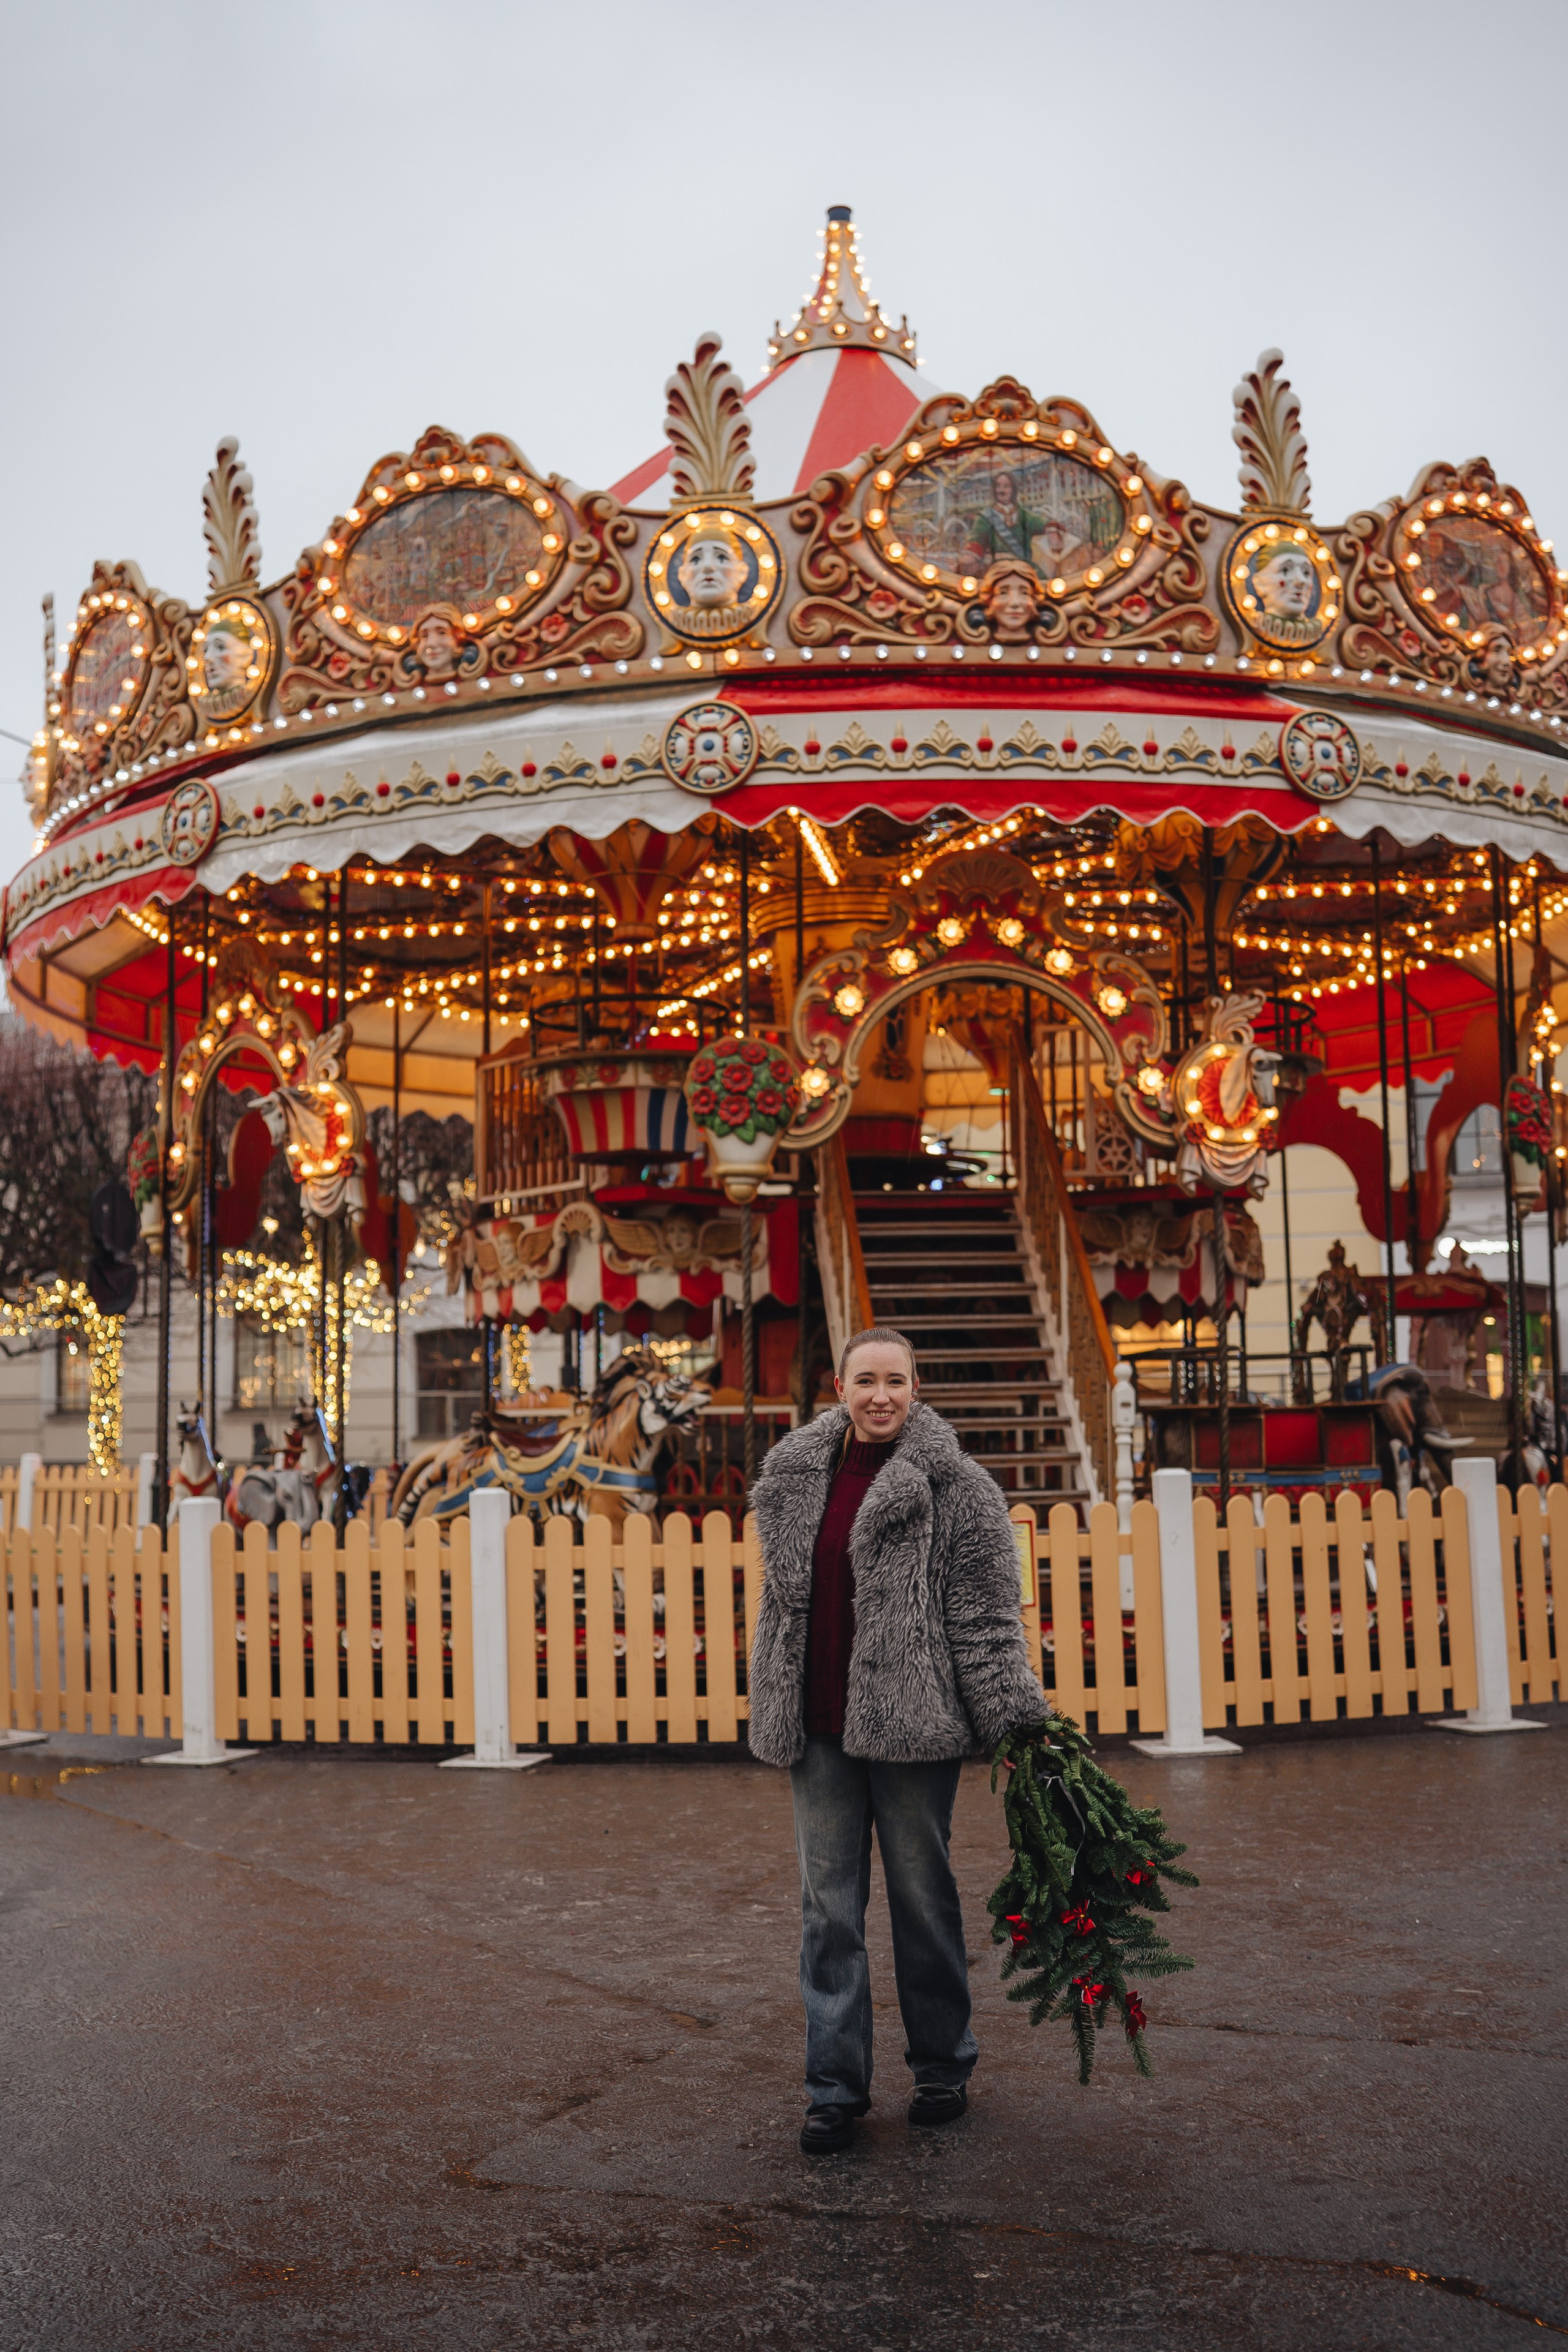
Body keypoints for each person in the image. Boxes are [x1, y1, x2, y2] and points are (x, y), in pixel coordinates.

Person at [748, 1326, 1047, 2155]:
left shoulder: (961, 1488)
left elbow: (987, 1622)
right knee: (827, 1910)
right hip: (818, 1725)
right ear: (838, 1386)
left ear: (918, 1389)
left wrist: (1015, 1721)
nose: (881, 1395)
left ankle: (943, 2067)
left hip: (916, 1726)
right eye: (865, 1380)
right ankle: (835, 2090)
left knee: (924, 1900)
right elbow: (783, 1608)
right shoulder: (795, 1478)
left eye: (897, 1381)